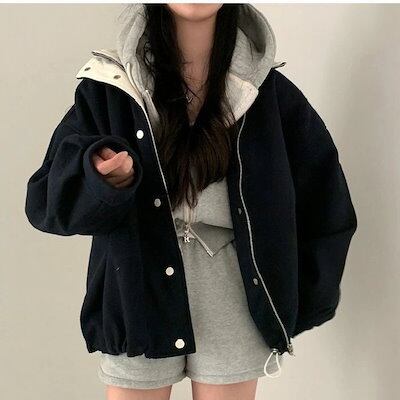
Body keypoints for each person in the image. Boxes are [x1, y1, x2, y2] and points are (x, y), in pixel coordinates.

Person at [24, 3, 358, 400]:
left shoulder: (269, 93)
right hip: (137, 287)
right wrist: (102, 179)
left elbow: (324, 198)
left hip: (233, 296)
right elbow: (47, 200)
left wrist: (295, 301)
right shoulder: (110, 86)